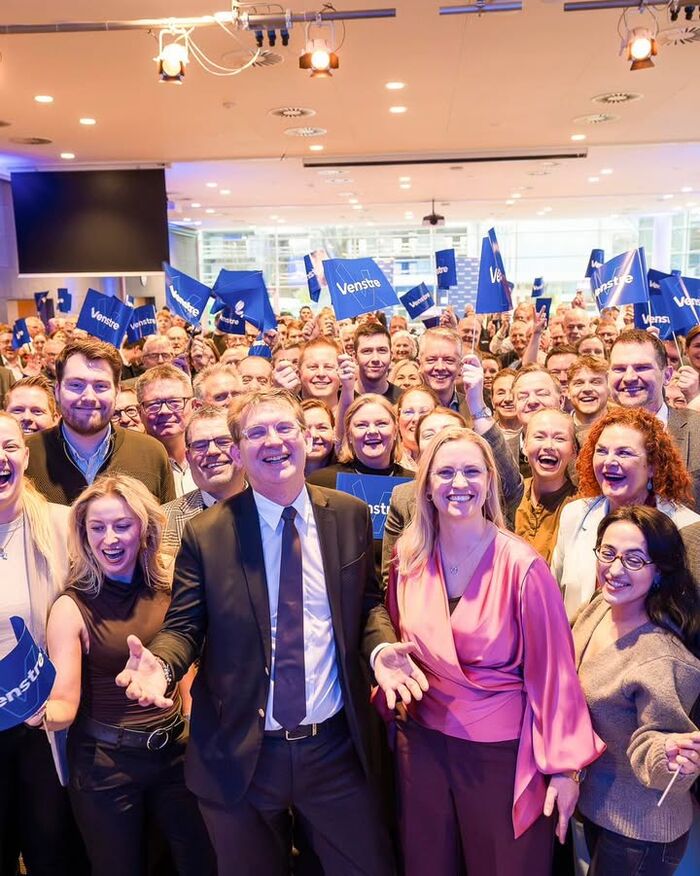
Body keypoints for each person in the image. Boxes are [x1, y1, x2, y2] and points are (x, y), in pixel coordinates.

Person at [114, 389, 394, 876]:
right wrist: (162, 665)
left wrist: (380, 647)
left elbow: (367, 603)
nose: (274, 441)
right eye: (256, 432)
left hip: (334, 748)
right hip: (241, 750)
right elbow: (184, 626)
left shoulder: (348, 515)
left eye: (284, 428)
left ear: (305, 437)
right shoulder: (207, 532)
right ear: (239, 451)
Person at [370, 426, 604, 876]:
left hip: (499, 752)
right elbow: (398, 641)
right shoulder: (407, 557)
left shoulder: (523, 566)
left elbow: (553, 674)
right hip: (420, 743)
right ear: (426, 485)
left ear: (490, 482)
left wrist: (564, 769)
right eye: (445, 473)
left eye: (472, 472)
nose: (459, 483)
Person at [40, 474, 215, 876]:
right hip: (105, 765)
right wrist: (39, 713)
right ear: (83, 535)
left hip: (177, 753)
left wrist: (195, 728)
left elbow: (185, 670)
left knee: (201, 863)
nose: (110, 539)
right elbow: (64, 702)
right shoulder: (71, 607)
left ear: (145, 529)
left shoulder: (170, 584)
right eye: (97, 528)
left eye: (122, 525)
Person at [573, 506, 700, 875]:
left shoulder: (661, 657)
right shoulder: (600, 607)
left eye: (633, 560)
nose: (614, 570)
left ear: (658, 571)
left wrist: (671, 757)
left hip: (641, 830)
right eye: (608, 553)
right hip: (600, 805)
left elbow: (659, 742)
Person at [0, 413, 88, 876]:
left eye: (9, 447)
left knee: (52, 851)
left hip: (45, 721)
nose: (0, 458)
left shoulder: (63, 524)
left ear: (26, 456)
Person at [552, 407, 700, 618]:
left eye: (624, 453)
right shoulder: (574, 515)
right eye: (601, 451)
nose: (609, 461)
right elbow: (554, 599)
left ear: (653, 465)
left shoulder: (687, 529)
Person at [26, 339, 175, 505]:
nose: (89, 397)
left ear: (117, 391)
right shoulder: (25, 455)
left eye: (101, 386)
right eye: (76, 385)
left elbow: (167, 521)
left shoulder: (151, 454)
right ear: (58, 390)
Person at [608, 329, 700, 509]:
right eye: (619, 369)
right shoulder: (589, 440)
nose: (629, 377)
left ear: (667, 375)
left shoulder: (697, 429)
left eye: (642, 368)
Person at [381, 407, 467, 587]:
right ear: (418, 447)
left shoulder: (482, 488)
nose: (439, 439)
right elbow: (392, 575)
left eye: (449, 432)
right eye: (429, 435)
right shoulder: (403, 496)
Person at [161, 406, 246, 557]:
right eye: (200, 445)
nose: (212, 451)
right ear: (188, 457)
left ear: (241, 448)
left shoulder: (272, 506)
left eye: (223, 441)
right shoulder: (163, 522)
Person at [515, 409, 577, 564]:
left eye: (559, 438)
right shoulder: (512, 495)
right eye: (539, 437)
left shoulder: (580, 506)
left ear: (573, 451)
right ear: (525, 446)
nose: (549, 445)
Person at [136, 364, 196, 498]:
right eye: (154, 404)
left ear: (194, 406)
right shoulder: (133, 467)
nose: (165, 411)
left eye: (174, 402)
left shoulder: (211, 454)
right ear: (140, 412)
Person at [418, 328, 470, 417]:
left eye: (449, 360)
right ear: (419, 364)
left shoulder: (472, 408)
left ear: (460, 367)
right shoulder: (405, 407)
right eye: (431, 360)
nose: (440, 367)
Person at [568, 355, 611, 446]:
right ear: (568, 391)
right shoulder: (559, 428)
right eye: (579, 383)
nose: (587, 389)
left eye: (595, 382)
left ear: (608, 388)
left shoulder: (625, 426)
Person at [354, 322, 401, 402]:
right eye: (367, 351)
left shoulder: (402, 399)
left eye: (382, 350)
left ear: (391, 356)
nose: (375, 359)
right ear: (355, 357)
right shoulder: (340, 398)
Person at [396, 386, 439, 471]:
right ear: (398, 419)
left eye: (424, 412)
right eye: (408, 412)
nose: (416, 418)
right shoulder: (386, 460)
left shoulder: (448, 458)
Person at [301, 399, 337, 475]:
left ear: (334, 432)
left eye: (322, 428)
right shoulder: (279, 475)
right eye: (304, 428)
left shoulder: (346, 476)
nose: (314, 435)